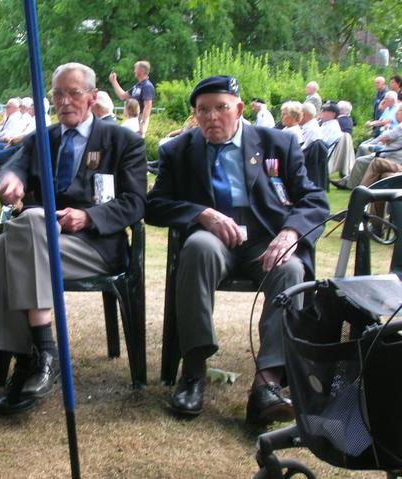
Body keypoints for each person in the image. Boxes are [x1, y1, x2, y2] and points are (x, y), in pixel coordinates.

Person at [146, 75, 328, 425]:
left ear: (240, 109)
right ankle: (194, 371)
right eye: (203, 110)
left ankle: (267, 384)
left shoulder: (279, 144)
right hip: (214, 238)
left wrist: (291, 232)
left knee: (291, 270)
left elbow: (314, 199)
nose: (212, 117)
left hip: (266, 238)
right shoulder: (177, 150)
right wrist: (201, 213)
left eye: (221, 108)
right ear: (195, 114)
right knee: (197, 247)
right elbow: (154, 206)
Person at [0, 62, 146, 416]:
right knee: (15, 237)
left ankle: (30, 360)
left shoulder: (124, 141)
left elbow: (136, 204)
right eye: (57, 94)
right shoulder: (44, 138)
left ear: (92, 97)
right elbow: (14, 164)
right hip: (41, 237)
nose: (64, 101)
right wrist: (9, 181)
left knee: (11, 242)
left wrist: (89, 216)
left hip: (94, 245)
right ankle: (39, 355)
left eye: (73, 93)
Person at [333, 103, 402, 191]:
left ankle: (350, 186)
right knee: (365, 154)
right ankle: (345, 180)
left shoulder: (400, 127)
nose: (396, 114)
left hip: (390, 157)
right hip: (389, 154)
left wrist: (387, 140)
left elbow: (384, 138)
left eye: (398, 111)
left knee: (360, 161)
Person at [108, 60, 155, 137]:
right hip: (133, 119)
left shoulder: (147, 86)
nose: (134, 71)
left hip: (139, 119)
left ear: (140, 71)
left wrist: (142, 123)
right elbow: (122, 96)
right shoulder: (137, 86)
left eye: (135, 69)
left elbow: (148, 105)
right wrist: (114, 81)